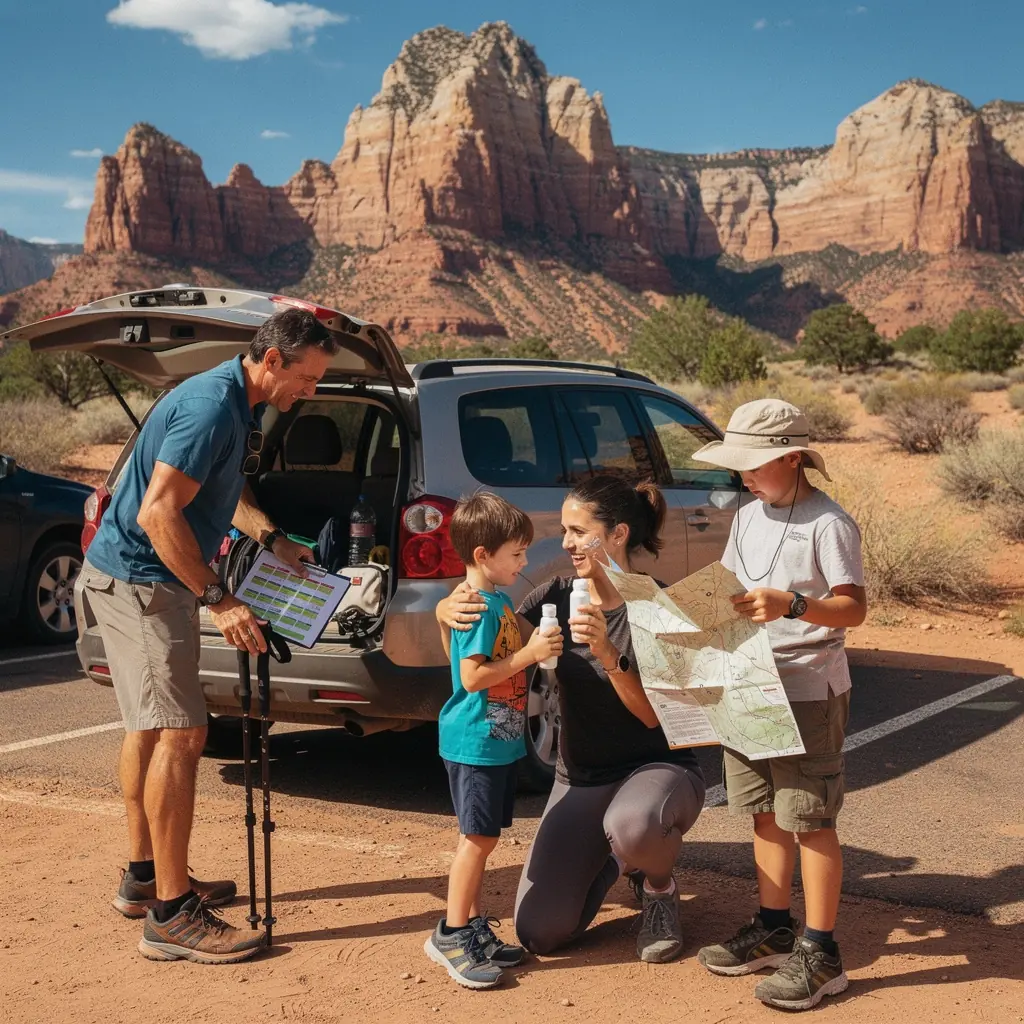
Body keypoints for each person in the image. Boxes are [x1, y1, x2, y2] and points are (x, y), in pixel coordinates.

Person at [78, 308, 339, 964]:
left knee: (148, 727)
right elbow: (159, 510)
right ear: (274, 359)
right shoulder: (212, 407)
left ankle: (146, 878)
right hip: (143, 586)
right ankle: (171, 915)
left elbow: (217, 490)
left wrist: (270, 539)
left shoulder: (235, 402)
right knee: (183, 734)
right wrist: (219, 598)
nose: (309, 394)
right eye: (307, 379)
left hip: (131, 579)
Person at [437, 475, 706, 964]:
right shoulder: (553, 597)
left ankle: (659, 889)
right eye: (565, 529)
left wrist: (608, 654)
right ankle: (611, 862)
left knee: (637, 824)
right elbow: (486, 656)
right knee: (539, 932)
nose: (566, 542)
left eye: (579, 531)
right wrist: (446, 612)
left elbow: (655, 719)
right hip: (583, 776)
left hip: (659, 770)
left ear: (618, 534)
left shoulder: (657, 606)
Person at [691, 398, 866, 1011]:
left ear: (793, 458)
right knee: (764, 811)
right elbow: (732, 591)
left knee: (810, 818)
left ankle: (821, 954)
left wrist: (792, 604)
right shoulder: (747, 516)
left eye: (755, 464)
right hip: (750, 681)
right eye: (739, 465)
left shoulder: (830, 524)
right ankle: (773, 926)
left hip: (809, 686)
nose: (744, 475)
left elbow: (854, 609)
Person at [425, 492, 563, 989]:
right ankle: (453, 933)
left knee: (480, 838)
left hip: (494, 740)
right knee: (477, 839)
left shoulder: (499, 601)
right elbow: (471, 677)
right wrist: (530, 655)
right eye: (516, 554)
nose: (524, 562)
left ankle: (473, 929)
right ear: (483, 555)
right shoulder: (480, 606)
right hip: (475, 740)